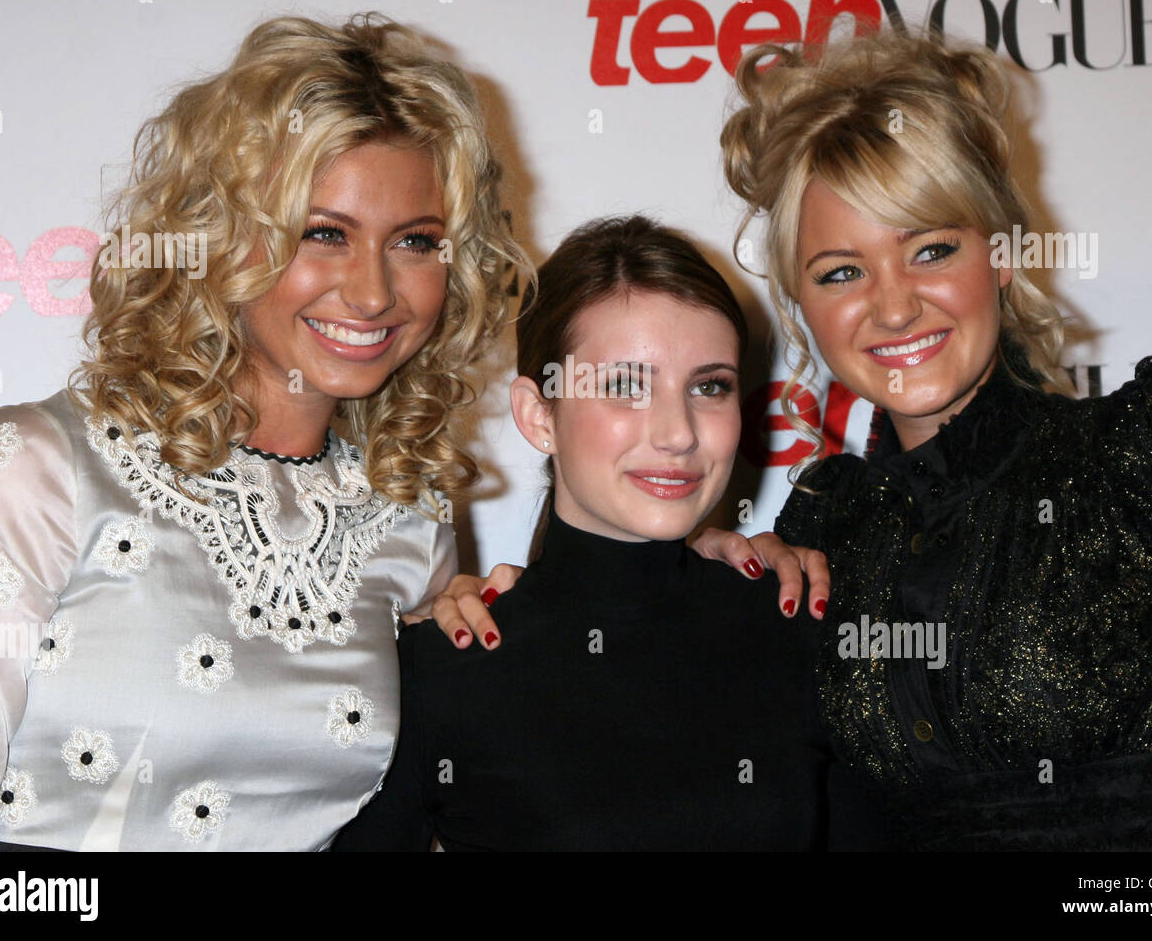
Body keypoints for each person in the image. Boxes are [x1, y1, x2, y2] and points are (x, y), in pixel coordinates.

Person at [0, 13, 531, 851]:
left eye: (415, 242)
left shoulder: (410, 507)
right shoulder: (40, 467)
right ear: (222, 239)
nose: (372, 293)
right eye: (322, 233)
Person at [718, 27, 1152, 850]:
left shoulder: (1150, 450)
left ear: (1001, 254)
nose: (893, 308)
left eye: (930, 249)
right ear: (800, 302)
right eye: (841, 271)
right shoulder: (827, 528)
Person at [332, 216, 826, 851]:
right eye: (625, 387)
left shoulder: (793, 628)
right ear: (540, 416)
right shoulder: (444, 672)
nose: (678, 433)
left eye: (709, 387)